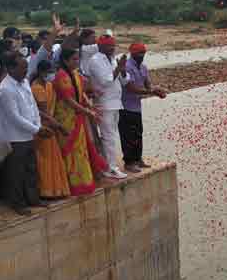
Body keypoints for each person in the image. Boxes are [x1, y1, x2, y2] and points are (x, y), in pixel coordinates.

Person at [53, 47, 109, 195]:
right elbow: (69, 100)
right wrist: (88, 112)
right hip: (67, 120)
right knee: (72, 152)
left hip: (78, 117)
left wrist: (90, 105)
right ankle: (72, 185)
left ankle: (85, 181)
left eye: (78, 59)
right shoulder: (61, 76)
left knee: (81, 150)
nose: (77, 62)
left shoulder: (75, 74)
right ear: (65, 61)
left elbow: (81, 94)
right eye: (74, 60)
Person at [0, 53, 46, 215]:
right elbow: (14, 117)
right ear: (10, 68)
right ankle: (17, 203)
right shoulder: (5, 89)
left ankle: (33, 199)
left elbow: (33, 106)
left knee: (31, 169)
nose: (26, 71)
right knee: (16, 173)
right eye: (22, 67)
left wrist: (38, 125)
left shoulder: (24, 82)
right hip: (15, 137)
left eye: (26, 67)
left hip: (29, 134)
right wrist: (37, 129)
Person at [120, 43, 167, 173]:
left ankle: (138, 159)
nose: (142, 56)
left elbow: (148, 84)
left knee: (138, 133)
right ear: (132, 53)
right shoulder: (127, 67)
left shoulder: (143, 67)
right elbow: (131, 88)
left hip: (136, 106)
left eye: (143, 53)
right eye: (139, 54)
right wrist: (151, 92)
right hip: (125, 106)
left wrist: (156, 90)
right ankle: (129, 162)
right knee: (128, 135)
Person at [87, 35, 129, 179]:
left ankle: (108, 165)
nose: (113, 48)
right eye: (109, 46)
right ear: (100, 46)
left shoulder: (112, 58)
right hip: (104, 103)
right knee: (108, 137)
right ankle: (111, 168)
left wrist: (122, 69)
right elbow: (106, 81)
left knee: (110, 136)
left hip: (116, 102)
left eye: (113, 45)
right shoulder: (95, 60)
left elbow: (124, 80)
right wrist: (118, 68)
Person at [30, 60, 71, 199]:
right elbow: (44, 112)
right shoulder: (36, 88)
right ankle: (46, 191)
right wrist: (60, 127)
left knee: (53, 158)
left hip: (51, 124)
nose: (52, 75)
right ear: (42, 72)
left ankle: (56, 189)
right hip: (43, 127)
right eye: (50, 72)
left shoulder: (48, 85)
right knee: (45, 160)